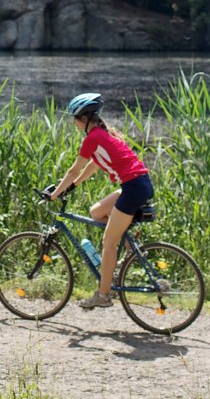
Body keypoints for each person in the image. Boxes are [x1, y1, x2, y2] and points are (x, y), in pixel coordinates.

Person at [48, 93, 154, 310]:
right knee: (96, 212)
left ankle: (103, 295)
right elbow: (93, 166)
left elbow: (74, 169)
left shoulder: (93, 138)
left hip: (133, 188)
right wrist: (72, 186)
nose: (73, 123)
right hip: (136, 185)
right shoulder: (101, 135)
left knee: (108, 242)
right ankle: (132, 249)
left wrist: (54, 194)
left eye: (74, 118)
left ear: (84, 119)